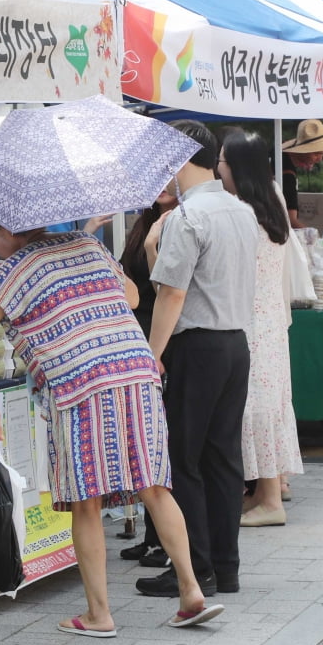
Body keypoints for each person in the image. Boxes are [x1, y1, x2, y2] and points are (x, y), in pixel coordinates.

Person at [0, 215, 223, 633]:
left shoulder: (11, 272)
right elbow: (130, 297)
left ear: (5, 229)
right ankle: (191, 590)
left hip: (81, 383)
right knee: (155, 487)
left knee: (85, 501)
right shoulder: (88, 246)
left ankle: (99, 614)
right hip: (135, 369)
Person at [138, 120, 258, 599]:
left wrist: (152, 354)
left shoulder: (190, 217)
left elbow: (171, 295)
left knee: (182, 459)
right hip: (235, 344)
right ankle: (224, 568)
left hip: (197, 345)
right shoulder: (239, 210)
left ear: (177, 159)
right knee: (224, 460)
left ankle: (195, 567)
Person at [215, 128, 303, 526]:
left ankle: (270, 500)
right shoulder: (272, 203)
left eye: (221, 161)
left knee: (254, 409)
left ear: (236, 167)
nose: (217, 167)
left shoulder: (242, 213)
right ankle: (266, 493)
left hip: (250, 321)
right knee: (268, 406)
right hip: (269, 321)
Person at [117, 187, 177, 565]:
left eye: (170, 182)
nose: (163, 189)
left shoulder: (177, 223)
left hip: (162, 336)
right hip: (136, 333)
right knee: (146, 446)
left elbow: (167, 290)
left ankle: (163, 543)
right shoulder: (143, 222)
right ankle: (151, 537)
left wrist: (159, 351)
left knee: (159, 449)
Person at [281, 119, 323, 229]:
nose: (319, 159)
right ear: (303, 150)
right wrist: (314, 239)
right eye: (316, 153)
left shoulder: (281, 159)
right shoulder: (287, 175)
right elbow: (291, 220)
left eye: (322, 153)